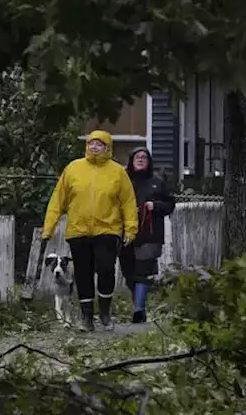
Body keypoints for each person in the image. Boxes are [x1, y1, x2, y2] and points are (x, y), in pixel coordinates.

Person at [42, 130, 138, 331]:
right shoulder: (73, 169)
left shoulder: (118, 172)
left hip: (108, 230)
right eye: (91, 143)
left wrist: (130, 229)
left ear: (108, 148)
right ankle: (86, 318)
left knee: (105, 269)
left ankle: (104, 313)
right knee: (83, 274)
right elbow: (57, 200)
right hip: (79, 231)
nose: (95, 147)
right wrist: (48, 228)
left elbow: (128, 202)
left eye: (100, 144)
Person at [120, 147, 176, 324]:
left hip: (150, 234)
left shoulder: (157, 182)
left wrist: (155, 205)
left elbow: (170, 205)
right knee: (128, 272)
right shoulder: (123, 181)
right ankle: (138, 304)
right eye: (137, 157)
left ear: (149, 162)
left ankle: (139, 309)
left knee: (143, 270)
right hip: (125, 233)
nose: (141, 159)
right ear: (131, 160)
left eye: (145, 157)